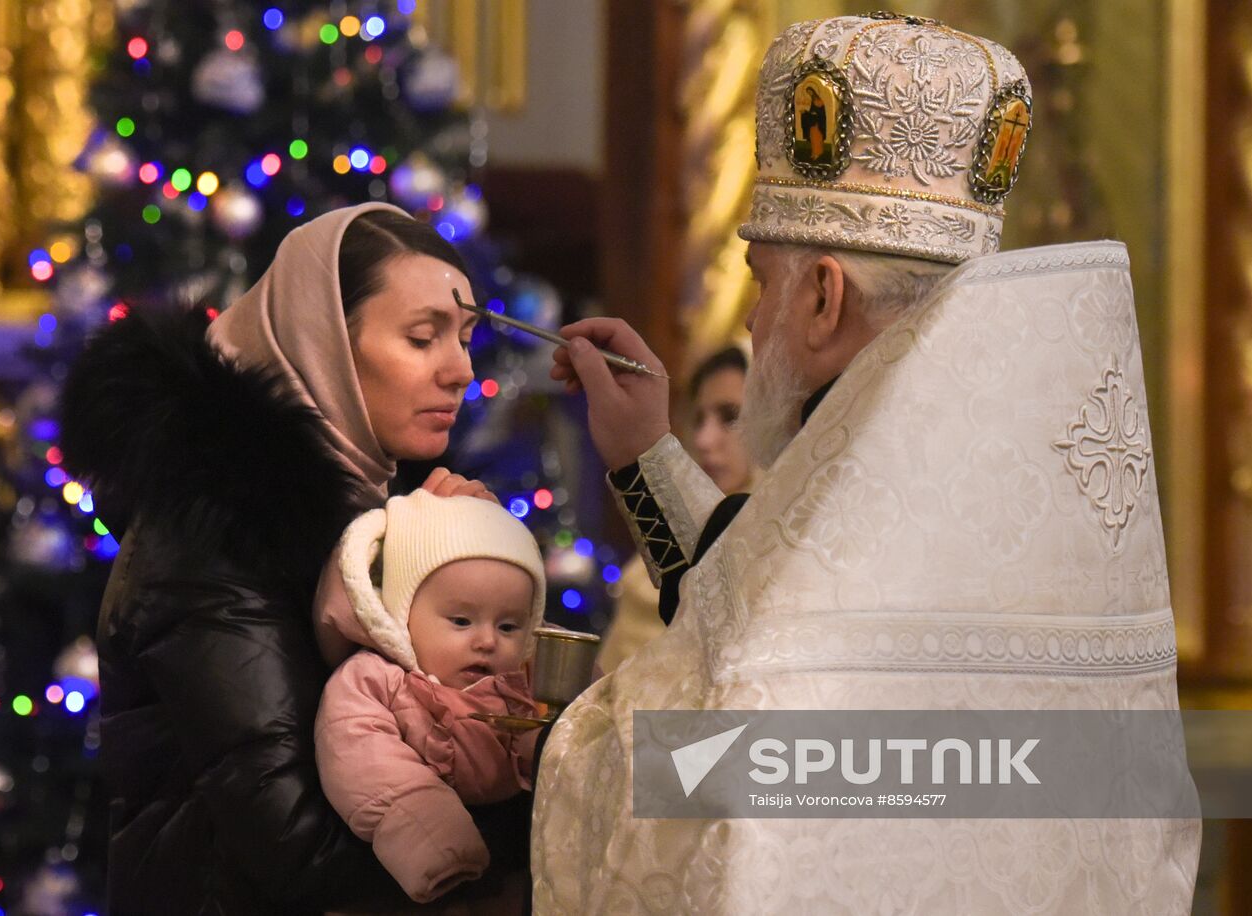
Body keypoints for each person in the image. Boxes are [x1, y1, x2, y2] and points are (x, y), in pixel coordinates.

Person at [537, 14, 1200, 914]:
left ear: (821, 296)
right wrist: (648, 457)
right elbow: (761, 605)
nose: (749, 320)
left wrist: (551, 750)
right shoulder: (1022, 488)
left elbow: (726, 772)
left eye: (763, 281)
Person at [59, 203, 530, 914]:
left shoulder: (358, 518)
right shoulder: (216, 537)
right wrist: (547, 819)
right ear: (325, 344)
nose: (460, 370)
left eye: (464, 338)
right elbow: (298, 846)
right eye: (422, 337)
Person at [312, 490, 545, 904]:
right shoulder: (377, 679)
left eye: (510, 626)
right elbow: (364, 757)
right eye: (461, 620)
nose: (488, 640)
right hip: (410, 885)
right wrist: (430, 831)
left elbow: (598, 721)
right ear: (402, 615)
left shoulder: (528, 678)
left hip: (514, 880)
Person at [595, 347, 753, 673]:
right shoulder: (651, 567)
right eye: (698, 419)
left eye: (730, 417)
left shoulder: (781, 552)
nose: (705, 439)